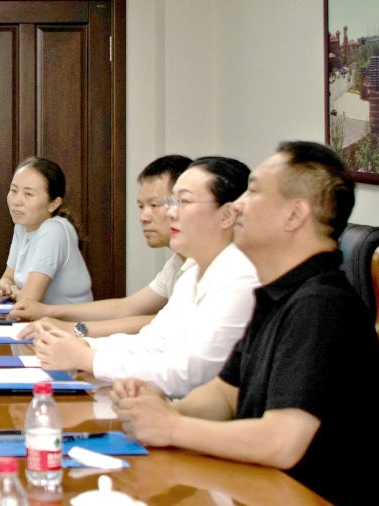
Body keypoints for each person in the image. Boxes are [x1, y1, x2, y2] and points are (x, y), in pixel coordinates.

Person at [113, 142, 379, 506]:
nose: (239, 205)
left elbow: (281, 442)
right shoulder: (276, 293)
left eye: (254, 191)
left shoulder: (321, 305)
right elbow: (223, 395)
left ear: (294, 214)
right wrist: (159, 408)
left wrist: (172, 428)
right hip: (266, 500)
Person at [28, 156, 258, 397]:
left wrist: (89, 357)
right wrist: (84, 346)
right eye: (170, 202)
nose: (171, 213)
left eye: (183, 202)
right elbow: (154, 341)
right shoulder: (193, 272)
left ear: (227, 215)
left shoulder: (241, 277)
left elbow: (190, 373)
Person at [11, 153, 191, 330]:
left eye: (154, 205)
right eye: (141, 206)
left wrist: (72, 328)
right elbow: (126, 307)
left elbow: (165, 322)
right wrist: (47, 311)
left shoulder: (200, 266)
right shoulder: (176, 264)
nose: (143, 217)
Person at [0, 155, 93, 310]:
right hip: (39, 320)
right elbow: (9, 278)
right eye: (14, 190)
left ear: (53, 204)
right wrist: (2, 290)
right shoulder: (22, 226)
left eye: (28, 194)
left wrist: (15, 293)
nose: (16, 201)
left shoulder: (54, 231)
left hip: (68, 323)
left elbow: (28, 301)